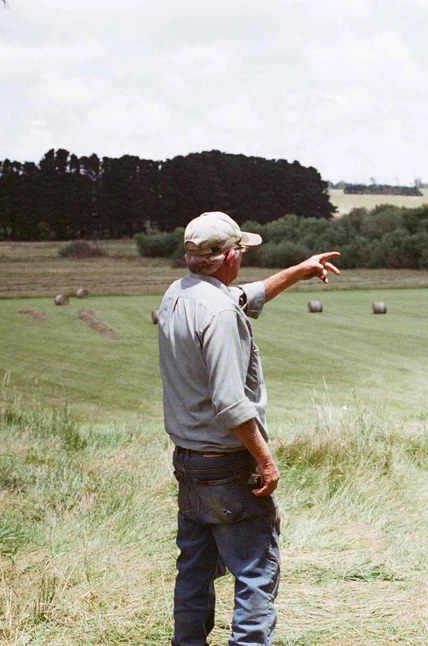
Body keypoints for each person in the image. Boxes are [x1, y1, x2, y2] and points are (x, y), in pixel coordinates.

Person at [157, 211, 340, 646]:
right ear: (229, 256)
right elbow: (230, 402)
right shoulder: (219, 312)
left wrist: (299, 271)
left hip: (188, 461)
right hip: (226, 465)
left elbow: (245, 296)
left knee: (194, 572)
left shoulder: (178, 294)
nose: (242, 256)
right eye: (240, 249)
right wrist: (265, 459)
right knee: (256, 574)